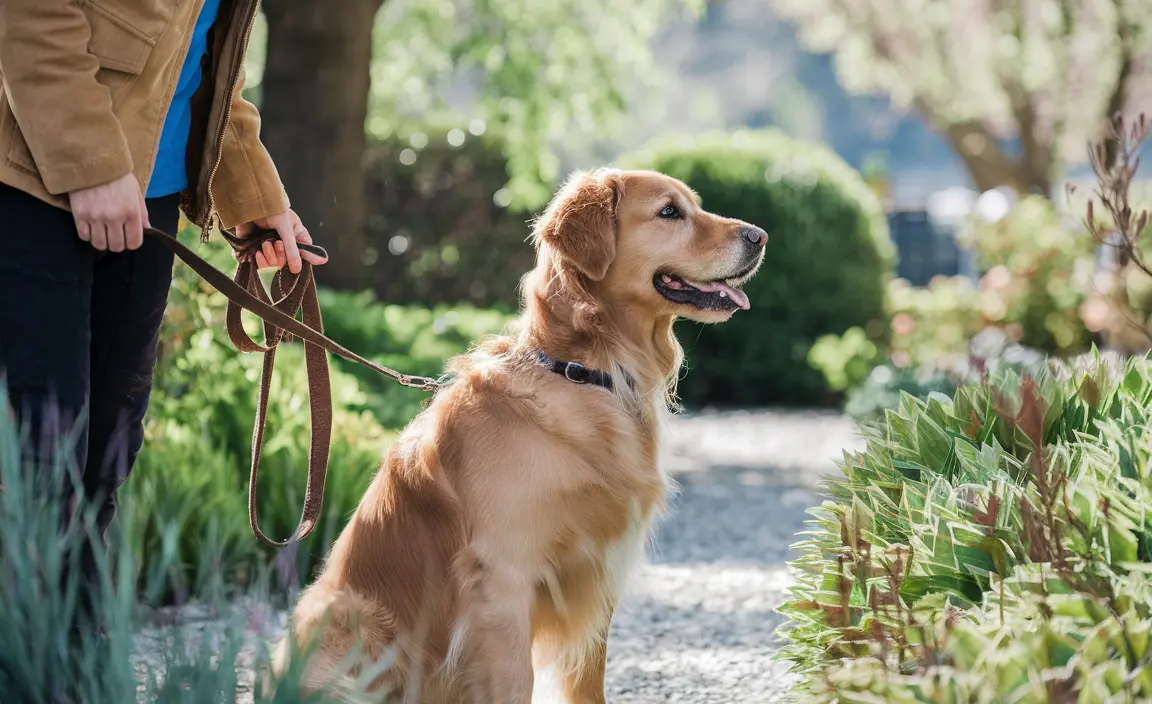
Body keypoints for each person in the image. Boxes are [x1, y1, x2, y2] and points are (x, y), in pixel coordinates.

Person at [0, 0, 327, 598]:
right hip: (33, 180)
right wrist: (91, 164)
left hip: (146, 195)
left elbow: (204, 60)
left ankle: (76, 646)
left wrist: (254, 195)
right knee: (39, 454)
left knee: (107, 449)